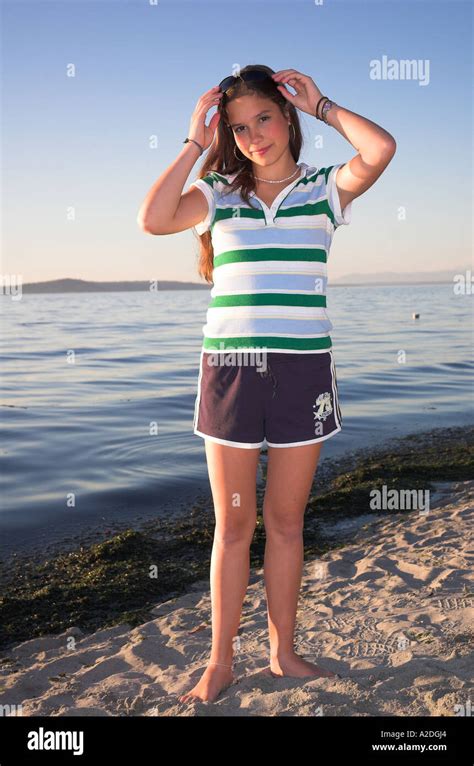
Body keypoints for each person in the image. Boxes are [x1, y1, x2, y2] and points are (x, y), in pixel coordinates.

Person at [137, 64, 396, 703]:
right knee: (233, 525)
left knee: (284, 522)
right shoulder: (219, 192)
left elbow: (380, 149)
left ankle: (283, 653)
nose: (255, 136)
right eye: (240, 127)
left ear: (287, 120)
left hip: (304, 370)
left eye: (265, 119)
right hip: (229, 370)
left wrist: (324, 104)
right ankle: (220, 662)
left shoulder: (322, 189)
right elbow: (153, 217)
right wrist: (194, 143)